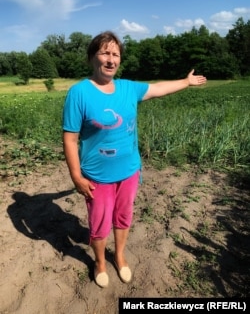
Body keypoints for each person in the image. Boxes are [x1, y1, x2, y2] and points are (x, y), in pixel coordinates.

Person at [62, 30, 207, 288]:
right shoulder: (79, 93)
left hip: (129, 171)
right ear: (92, 57)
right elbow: (70, 138)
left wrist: (185, 82)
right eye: (105, 52)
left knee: (123, 218)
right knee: (98, 224)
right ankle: (100, 262)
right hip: (97, 177)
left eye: (115, 54)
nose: (110, 59)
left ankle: (118, 256)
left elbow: (159, 88)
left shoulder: (128, 88)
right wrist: (76, 176)